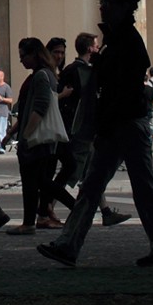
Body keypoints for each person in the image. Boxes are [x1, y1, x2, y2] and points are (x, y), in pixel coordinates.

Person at [36, 0, 153, 269]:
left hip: (124, 121)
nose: (102, 7)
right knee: (94, 186)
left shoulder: (127, 41)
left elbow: (122, 84)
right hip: (117, 122)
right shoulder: (119, 39)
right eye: (102, 3)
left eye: (107, 3)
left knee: (139, 185)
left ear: (124, 7)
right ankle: (68, 245)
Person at [50, 31, 130, 228]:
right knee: (74, 171)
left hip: (83, 130)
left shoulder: (81, 69)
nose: (97, 49)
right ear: (89, 49)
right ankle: (46, 209)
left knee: (91, 173)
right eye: (95, 46)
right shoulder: (77, 70)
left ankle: (105, 211)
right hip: (79, 131)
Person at [6, 37, 63, 235]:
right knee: (39, 181)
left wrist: (26, 137)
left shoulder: (40, 76)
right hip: (41, 138)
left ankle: (30, 222)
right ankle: (29, 221)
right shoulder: (47, 74)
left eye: (23, 56)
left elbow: (38, 109)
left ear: (34, 55)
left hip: (36, 138)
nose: (21, 60)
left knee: (36, 182)